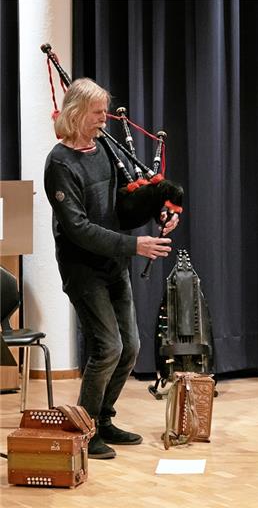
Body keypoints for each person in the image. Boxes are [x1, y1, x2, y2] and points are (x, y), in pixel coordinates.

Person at [43, 78, 179, 459]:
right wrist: (135, 245)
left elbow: (125, 198)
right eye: (98, 112)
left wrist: (160, 210)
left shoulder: (101, 145)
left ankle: (103, 419)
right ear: (76, 113)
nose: (106, 118)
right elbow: (79, 229)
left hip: (112, 263)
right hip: (82, 268)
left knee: (130, 346)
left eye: (105, 110)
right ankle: (83, 429)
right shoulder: (59, 163)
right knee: (108, 347)